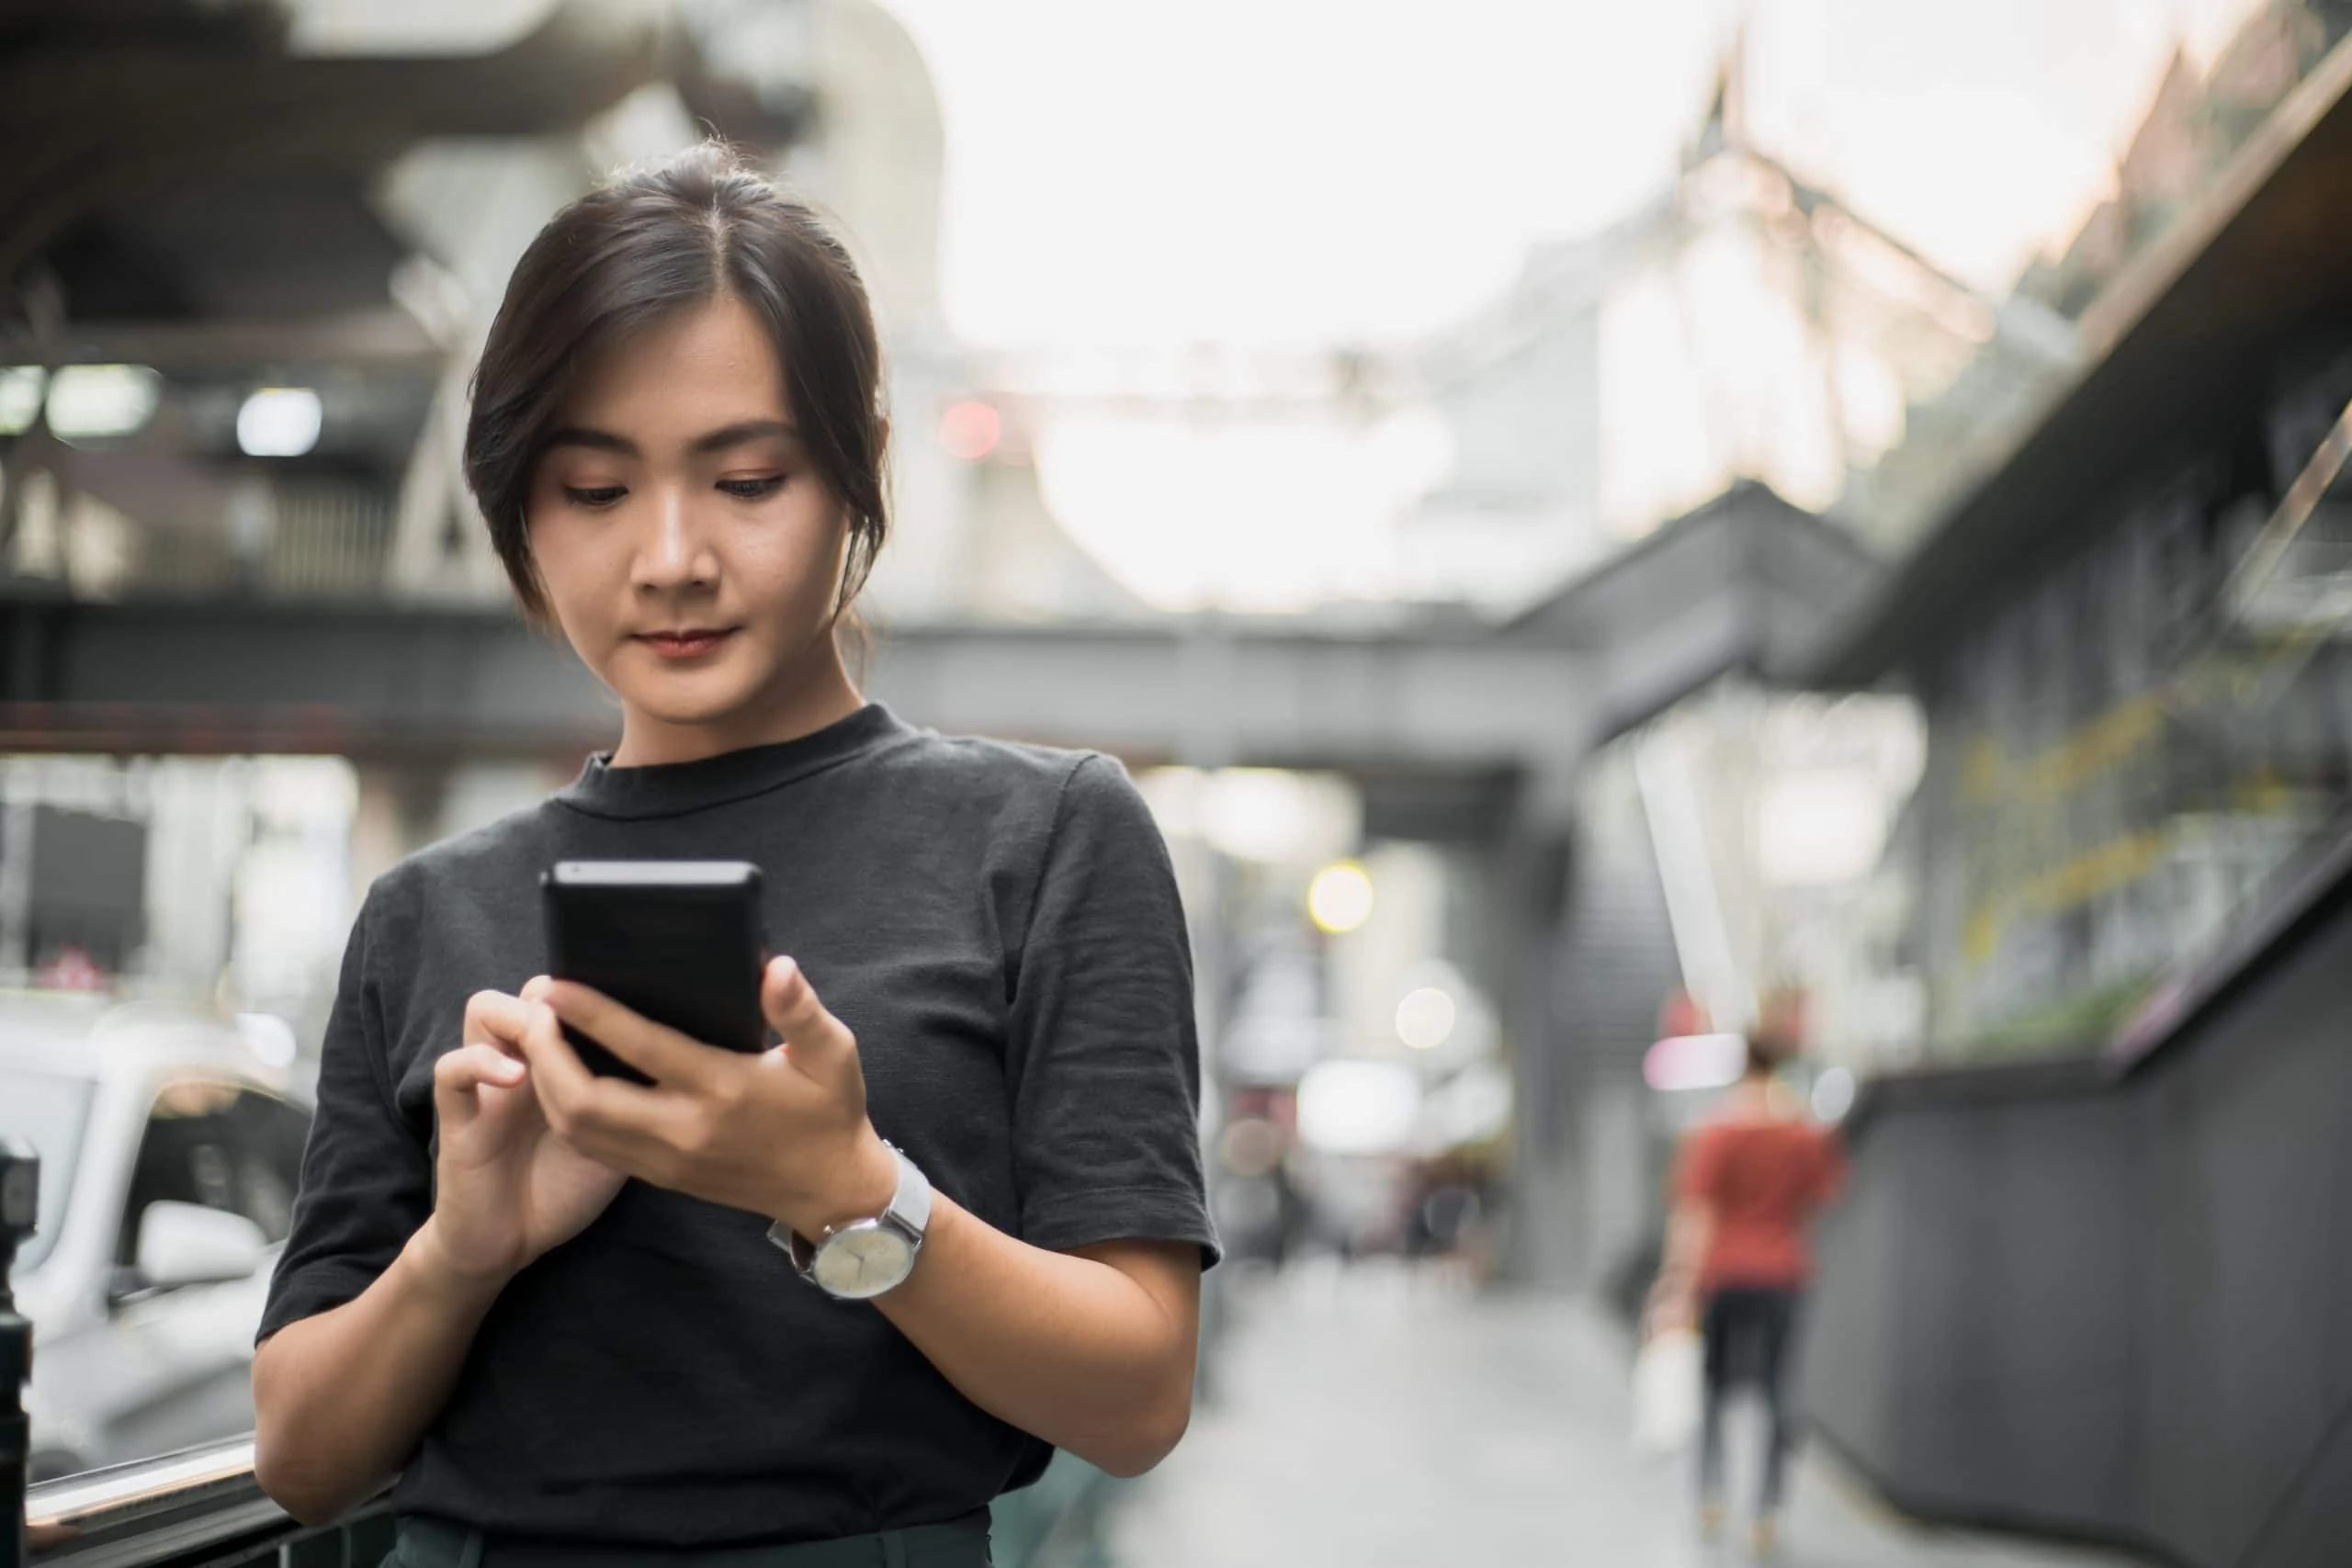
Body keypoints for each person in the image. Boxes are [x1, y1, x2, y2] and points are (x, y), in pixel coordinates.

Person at [250, 142, 1217, 1566]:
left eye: (746, 478)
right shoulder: (422, 912)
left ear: (853, 477)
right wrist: (465, 1245)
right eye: (593, 490)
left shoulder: (1048, 836)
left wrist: (843, 1185)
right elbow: (300, 1453)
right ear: (519, 509)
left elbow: (1137, 1391)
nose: (671, 555)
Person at [1654, 1029, 1844, 1556]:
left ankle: (1710, 1495)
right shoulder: (1802, 1130)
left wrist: (1676, 1281)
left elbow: (1695, 1213)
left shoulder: (1716, 1130)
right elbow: (1826, 1192)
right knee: (1780, 1389)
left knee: (1714, 1387)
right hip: (1784, 1270)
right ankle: (1766, 1511)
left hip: (1722, 1273)